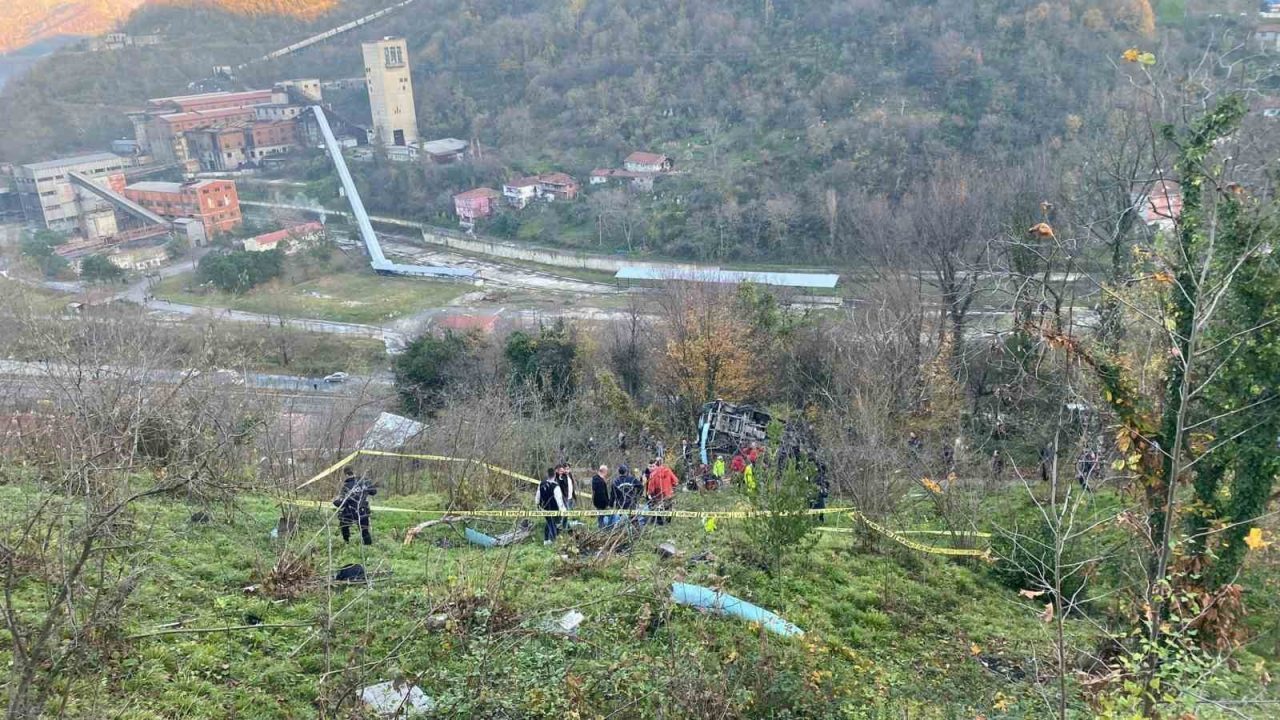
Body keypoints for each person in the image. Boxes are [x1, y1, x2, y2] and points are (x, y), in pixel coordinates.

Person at [333, 467, 376, 545]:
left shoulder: (346, 487)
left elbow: (340, 503)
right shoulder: (364, 481)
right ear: (354, 472)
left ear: (345, 475)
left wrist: (335, 501)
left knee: (344, 526)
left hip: (350, 512)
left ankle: (347, 543)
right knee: (365, 532)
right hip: (363, 511)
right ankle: (368, 548)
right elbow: (374, 491)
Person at [536, 468, 566, 544]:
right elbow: (559, 500)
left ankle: (546, 540)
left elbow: (537, 496)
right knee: (554, 524)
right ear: (555, 475)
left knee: (549, 522)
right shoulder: (556, 486)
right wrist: (563, 511)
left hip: (544, 508)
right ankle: (555, 541)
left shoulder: (541, 484)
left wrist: (537, 506)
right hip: (554, 509)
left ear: (547, 474)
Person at [646, 458, 678, 526]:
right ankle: (668, 523)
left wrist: (650, 494)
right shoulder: (668, 470)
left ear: (656, 464)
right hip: (669, 495)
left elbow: (651, 488)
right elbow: (675, 481)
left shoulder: (653, 474)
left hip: (659, 497)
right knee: (669, 510)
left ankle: (661, 524)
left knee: (659, 511)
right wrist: (672, 488)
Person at [590, 464, 614, 529]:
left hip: (601, 502)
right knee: (603, 516)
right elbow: (600, 493)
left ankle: (603, 528)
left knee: (602, 517)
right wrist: (607, 503)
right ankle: (603, 529)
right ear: (604, 471)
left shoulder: (599, 479)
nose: (607, 473)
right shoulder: (597, 480)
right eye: (606, 472)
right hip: (601, 503)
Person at [555, 463, 577, 531]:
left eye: (568, 469)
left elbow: (572, 486)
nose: (567, 471)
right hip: (564, 498)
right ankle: (560, 525)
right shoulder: (562, 477)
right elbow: (560, 482)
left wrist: (574, 496)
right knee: (565, 512)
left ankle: (564, 525)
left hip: (570, 497)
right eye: (566, 469)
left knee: (568, 513)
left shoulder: (570, 476)